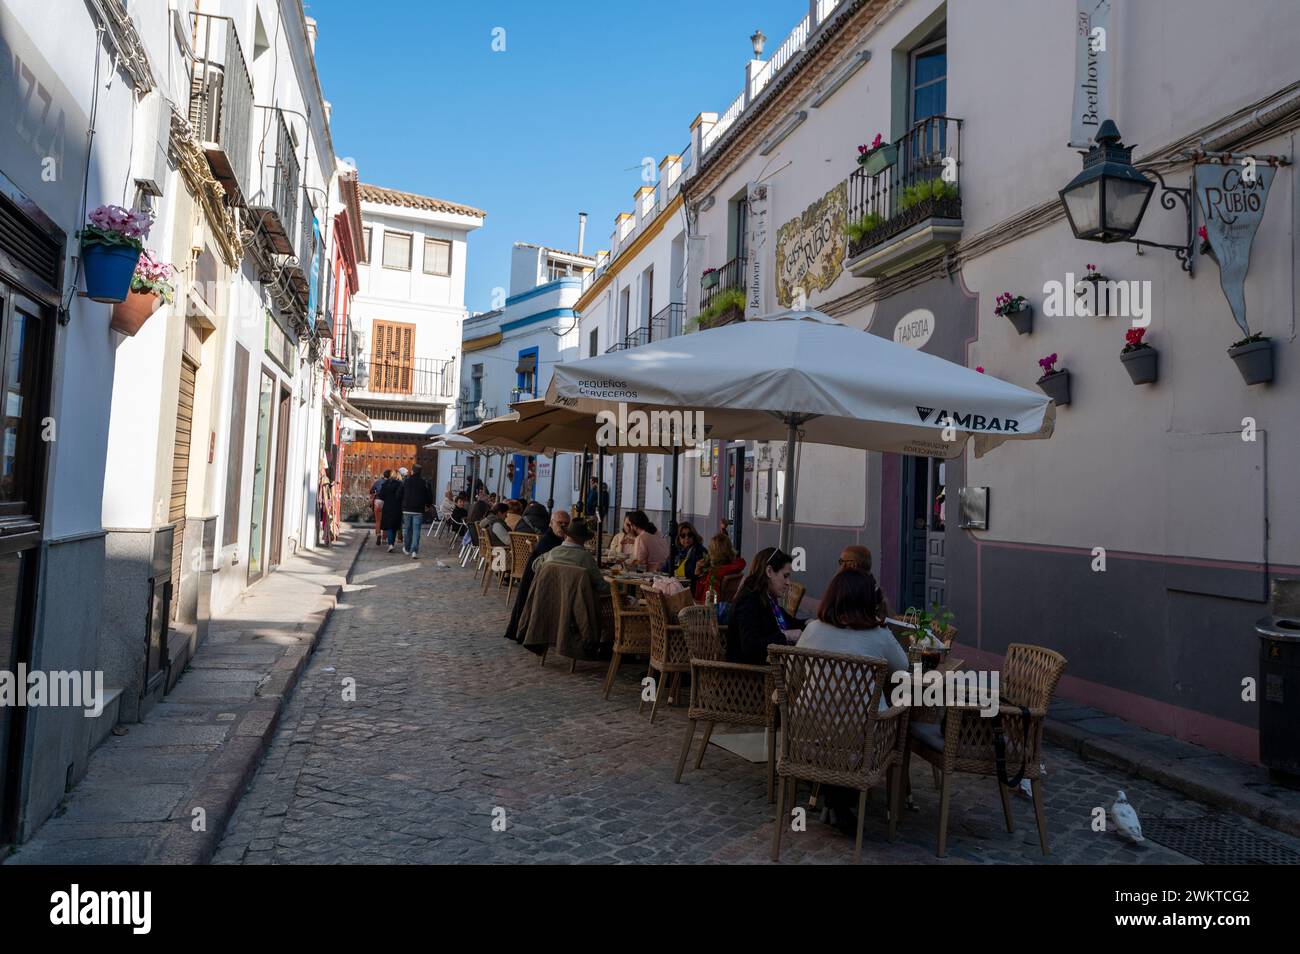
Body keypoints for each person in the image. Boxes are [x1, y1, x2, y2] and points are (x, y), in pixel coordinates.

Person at [796, 569, 909, 833]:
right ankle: (849, 804)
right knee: (888, 719)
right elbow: (902, 669)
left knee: (834, 722)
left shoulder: (812, 630)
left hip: (807, 732)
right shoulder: (878, 636)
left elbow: (796, 673)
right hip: (863, 739)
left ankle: (835, 801)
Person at [728, 547, 806, 665]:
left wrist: (809, 624)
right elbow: (750, 647)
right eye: (785, 576)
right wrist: (785, 636)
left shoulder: (766, 598)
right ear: (769, 571)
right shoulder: (749, 600)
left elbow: (790, 622)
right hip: (746, 677)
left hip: (765, 670)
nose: (788, 582)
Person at [505, 509, 570, 643]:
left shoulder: (560, 539)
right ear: (551, 524)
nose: (563, 526)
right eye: (559, 523)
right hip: (538, 583)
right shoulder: (548, 540)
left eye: (566, 523)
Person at [535, 517, 608, 595]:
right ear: (584, 539)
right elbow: (602, 587)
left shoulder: (553, 552)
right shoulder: (586, 557)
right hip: (579, 603)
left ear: (566, 535)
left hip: (551, 599)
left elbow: (535, 565)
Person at [837, 545, 891, 618]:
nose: (841, 566)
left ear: (854, 564)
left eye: (842, 561)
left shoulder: (846, 589)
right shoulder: (873, 589)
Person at [694, 532, 747, 602]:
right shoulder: (734, 568)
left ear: (712, 552)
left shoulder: (714, 575)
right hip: (727, 608)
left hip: (706, 610)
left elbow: (709, 602)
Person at [400, 465, 433, 558]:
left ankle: (407, 548)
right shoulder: (424, 483)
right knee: (416, 531)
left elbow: (399, 493)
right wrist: (427, 505)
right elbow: (429, 496)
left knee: (407, 530)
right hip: (418, 511)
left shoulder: (406, 481)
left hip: (407, 509)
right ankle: (414, 550)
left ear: (412, 471)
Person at [379, 469, 404, 552]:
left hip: (387, 507)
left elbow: (381, 496)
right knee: (394, 527)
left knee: (390, 526)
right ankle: (391, 543)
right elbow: (402, 496)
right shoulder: (400, 484)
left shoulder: (385, 484)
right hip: (397, 507)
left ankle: (390, 544)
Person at [370, 469, 391, 545]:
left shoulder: (378, 482)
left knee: (378, 521)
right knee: (386, 520)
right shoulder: (390, 483)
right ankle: (384, 538)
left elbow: (371, 491)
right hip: (387, 502)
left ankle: (378, 535)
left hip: (378, 501)